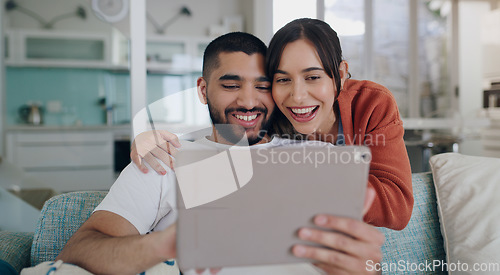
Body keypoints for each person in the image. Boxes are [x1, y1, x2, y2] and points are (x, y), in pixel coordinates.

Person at [57, 32, 384, 275]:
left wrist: (363, 267)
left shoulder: (317, 158)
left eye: (262, 86)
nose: (248, 101)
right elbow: (78, 251)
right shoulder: (163, 160)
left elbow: (361, 263)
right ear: (203, 90)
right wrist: (170, 243)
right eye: (231, 85)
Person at [131, 18, 413, 231]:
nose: (297, 96)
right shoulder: (275, 109)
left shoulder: (371, 103)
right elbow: (227, 132)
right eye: (282, 79)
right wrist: (154, 140)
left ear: (339, 74)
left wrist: (308, 174)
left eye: (313, 77)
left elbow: (397, 207)